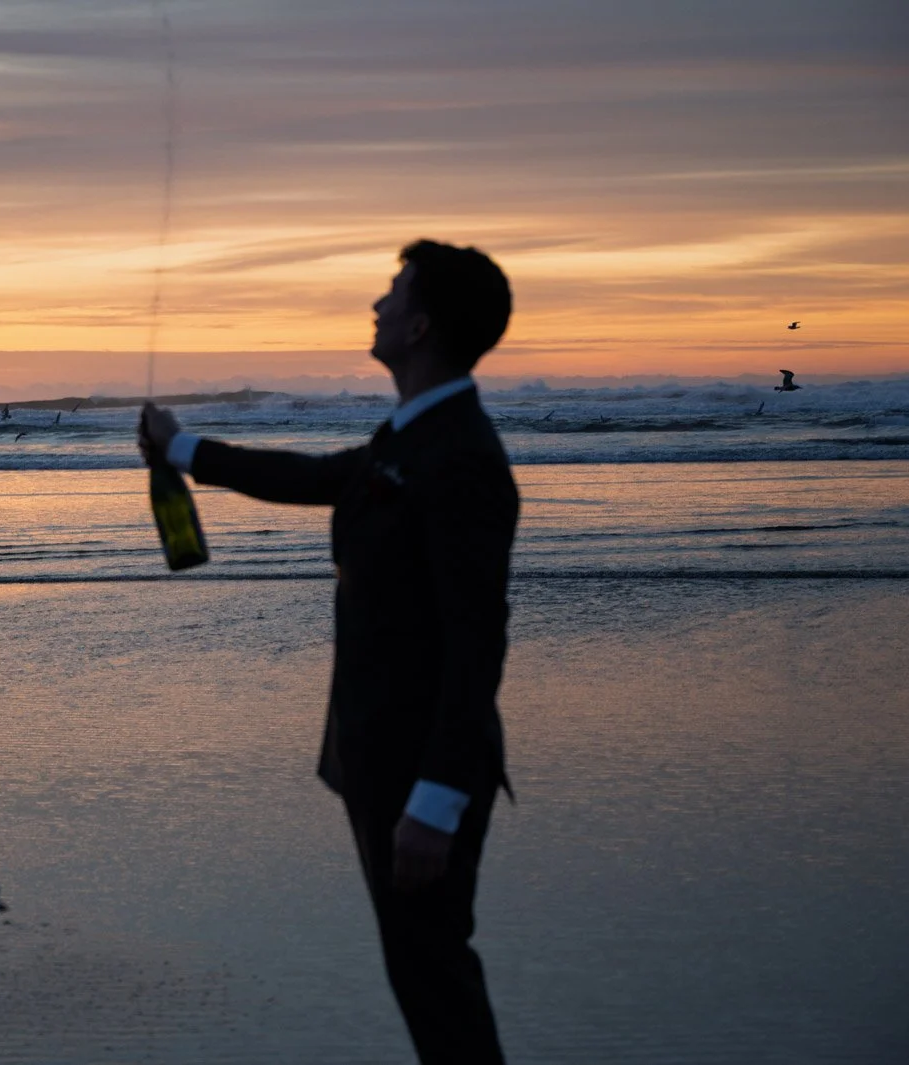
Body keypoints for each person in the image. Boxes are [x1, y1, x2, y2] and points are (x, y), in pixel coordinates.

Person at [140, 240, 518, 1063]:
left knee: (435, 976)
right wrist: (183, 449)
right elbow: (316, 478)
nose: (376, 305)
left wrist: (437, 801)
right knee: (420, 970)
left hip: (421, 770)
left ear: (420, 326)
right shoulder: (414, 434)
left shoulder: (461, 457)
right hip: (385, 756)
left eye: (393, 292)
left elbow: (477, 643)